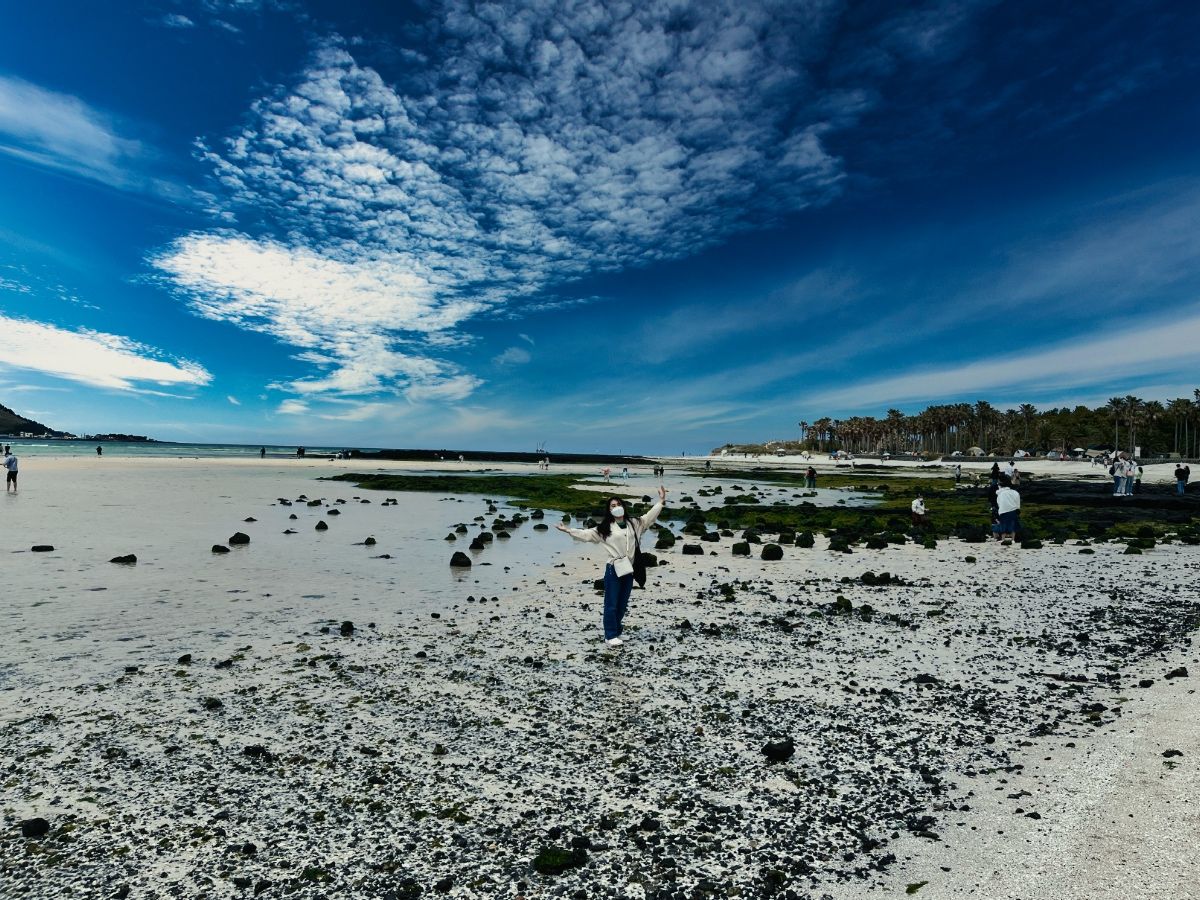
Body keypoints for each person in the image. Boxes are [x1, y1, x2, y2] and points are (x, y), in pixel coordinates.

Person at [557, 486, 667, 647]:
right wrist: (568, 530)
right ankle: (610, 635)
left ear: (623, 506)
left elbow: (649, 517)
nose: (616, 508)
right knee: (611, 603)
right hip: (614, 569)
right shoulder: (605, 528)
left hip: (629, 569)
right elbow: (587, 534)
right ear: (609, 510)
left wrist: (661, 501)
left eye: (618, 504)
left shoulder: (634, 523)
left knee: (622, 604)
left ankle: (617, 631)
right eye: (612, 506)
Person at [996, 475, 1020, 541]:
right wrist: (1018, 508)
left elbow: (999, 503)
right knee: (1013, 526)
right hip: (1013, 511)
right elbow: (1017, 502)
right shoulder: (1015, 492)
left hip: (1003, 511)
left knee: (1003, 526)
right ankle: (1013, 539)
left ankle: (1003, 539)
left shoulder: (1001, 494)